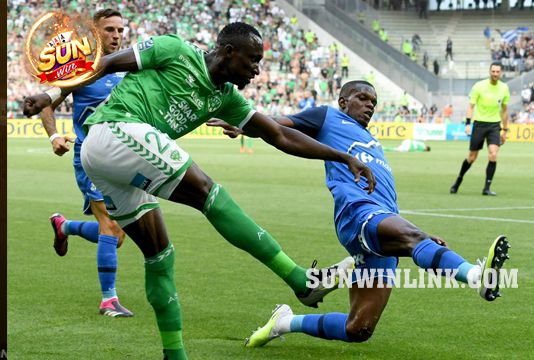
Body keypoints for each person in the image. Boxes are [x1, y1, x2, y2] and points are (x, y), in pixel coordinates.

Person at [23, 23, 376, 360]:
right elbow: (106, 63)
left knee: (160, 256)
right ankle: (299, 279)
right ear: (228, 51)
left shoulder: (227, 99)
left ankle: (174, 353)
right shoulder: (175, 50)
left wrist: (341, 156)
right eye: (252, 60)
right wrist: (53, 93)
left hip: (105, 161)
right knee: (209, 192)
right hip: (114, 128)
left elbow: (279, 135)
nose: (257, 70)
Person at [211, 81, 510, 347]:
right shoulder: (327, 117)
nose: (369, 105)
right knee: (412, 240)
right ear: (343, 101)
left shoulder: (373, 142)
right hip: (356, 215)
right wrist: (243, 124)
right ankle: (475, 275)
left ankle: (284, 322)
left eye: (373, 102)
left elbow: (389, 206)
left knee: (359, 328)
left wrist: (418, 237)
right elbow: (277, 126)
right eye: (363, 98)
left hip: (382, 221)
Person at [38, 9, 132, 317]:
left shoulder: (128, 68)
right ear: (94, 32)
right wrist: (54, 137)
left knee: (117, 236)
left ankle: (65, 226)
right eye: (109, 30)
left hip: (124, 157)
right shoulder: (78, 68)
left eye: (120, 29)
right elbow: (46, 103)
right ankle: (109, 300)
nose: (116, 35)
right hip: (90, 157)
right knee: (111, 224)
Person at [450, 62, 510, 196]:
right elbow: (471, 106)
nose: (495, 74)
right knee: (472, 157)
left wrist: (505, 130)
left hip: (495, 125)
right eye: (493, 71)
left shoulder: (504, 88)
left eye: (497, 72)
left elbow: (505, 110)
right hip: (479, 124)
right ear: (489, 72)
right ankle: (458, 180)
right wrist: (467, 124)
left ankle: (487, 188)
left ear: (501, 73)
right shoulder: (479, 86)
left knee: (493, 154)